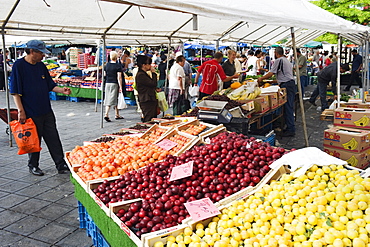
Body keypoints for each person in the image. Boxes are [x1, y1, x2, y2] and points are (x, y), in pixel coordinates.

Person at [10, 40, 71, 176]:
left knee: (53, 138)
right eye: (41, 53)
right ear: (32, 52)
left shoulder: (41, 66)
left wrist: (62, 90)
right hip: (30, 111)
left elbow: (50, 85)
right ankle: (33, 165)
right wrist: (21, 111)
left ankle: (60, 164)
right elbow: (15, 91)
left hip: (46, 109)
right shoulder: (19, 66)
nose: (43, 56)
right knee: (33, 140)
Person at [257, 47, 297, 137]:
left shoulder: (279, 60)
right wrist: (272, 82)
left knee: (288, 107)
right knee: (288, 106)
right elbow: (284, 75)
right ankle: (289, 126)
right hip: (289, 84)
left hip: (286, 85)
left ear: (276, 53)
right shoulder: (286, 60)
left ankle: (291, 129)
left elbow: (271, 73)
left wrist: (261, 78)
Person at [135, 55, 159, 122]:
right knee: (149, 118)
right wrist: (154, 73)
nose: (150, 66)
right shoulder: (141, 75)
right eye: (149, 64)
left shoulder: (143, 74)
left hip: (149, 98)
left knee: (152, 118)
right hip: (146, 99)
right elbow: (153, 83)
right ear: (144, 65)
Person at [103, 51, 124, 122]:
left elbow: (104, 75)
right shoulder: (118, 66)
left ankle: (117, 114)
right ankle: (106, 114)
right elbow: (119, 77)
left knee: (110, 98)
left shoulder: (107, 65)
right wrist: (121, 86)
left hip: (107, 83)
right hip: (114, 83)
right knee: (112, 99)